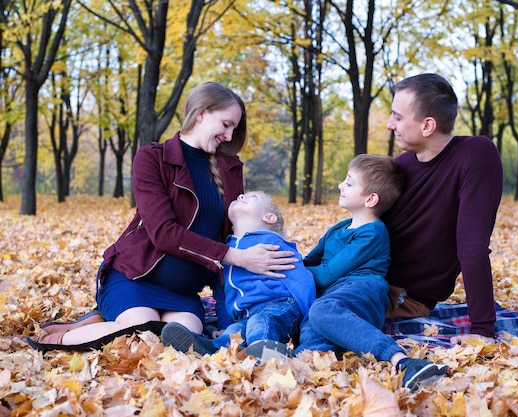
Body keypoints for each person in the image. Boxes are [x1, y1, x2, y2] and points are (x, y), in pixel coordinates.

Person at [28, 82, 298, 352]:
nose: (229, 136)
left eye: (233, 129)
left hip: (182, 294)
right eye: (226, 124)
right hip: (133, 278)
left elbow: (228, 241)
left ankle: (102, 321)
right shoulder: (153, 158)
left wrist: (227, 321)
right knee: (140, 336)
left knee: (179, 344)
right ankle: (65, 336)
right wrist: (238, 256)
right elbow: (164, 234)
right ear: (202, 113)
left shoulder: (229, 170)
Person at [294, 154, 449, 392]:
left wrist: (296, 272)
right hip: (333, 296)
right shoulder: (339, 228)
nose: (340, 186)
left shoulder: (372, 233)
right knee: (309, 336)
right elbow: (309, 261)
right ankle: (314, 379)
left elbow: (325, 274)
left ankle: (403, 361)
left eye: (348, 182)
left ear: (370, 199)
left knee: (321, 311)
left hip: (363, 290)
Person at [382, 73, 503, 346]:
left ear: (428, 125)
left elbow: (472, 245)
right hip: (361, 279)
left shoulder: (475, 154)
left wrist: (482, 329)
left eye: (398, 117)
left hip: (399, 297)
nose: (390, 125)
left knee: (316, 307)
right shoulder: (400, 167)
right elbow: (357, 229)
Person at [161, 191, 316, 360]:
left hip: (279, 306)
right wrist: (225, 325)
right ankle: (206, 348)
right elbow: (221, 297)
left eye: (253, 197)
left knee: (260, 322)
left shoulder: (273, 243)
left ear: (269, 217)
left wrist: (308, 321)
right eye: (240, 197)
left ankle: (267, 352)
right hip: (244, 316)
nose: (241, 196)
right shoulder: (225, 252)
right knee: (234, 333)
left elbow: (301, 279)